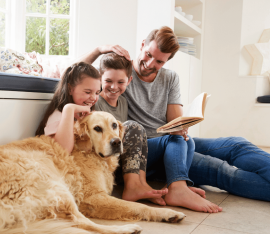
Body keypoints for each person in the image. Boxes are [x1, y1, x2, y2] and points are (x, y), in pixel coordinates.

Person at [81, 26, 270, 204]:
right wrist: (100, 49)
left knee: (236, 144)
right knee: (223, 171)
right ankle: (178, 186)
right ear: (142, 46)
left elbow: (175, 121)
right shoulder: (120, 75)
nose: (149, 64)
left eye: (159, 61)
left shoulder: (169, 78)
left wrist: (182, 126)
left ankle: (180, 178)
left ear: (166, 61)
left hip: (171, 144)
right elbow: (76, 76)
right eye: (148, 55)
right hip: (146, 150)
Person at [94, 52, 168, 202]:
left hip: (120, 161)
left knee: (140, 130)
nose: (114, 87)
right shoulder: (96, 103)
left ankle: (141, 184)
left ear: (129, 81)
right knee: (133, 126)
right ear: (100, 78)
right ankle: (132, 187)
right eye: (108, 81)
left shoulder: (123, 102)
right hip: (105, 160)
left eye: (121, 82)